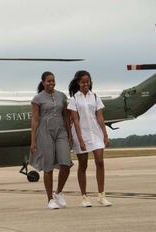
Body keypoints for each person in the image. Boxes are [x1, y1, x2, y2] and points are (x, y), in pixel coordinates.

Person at [68, 70, 112, 207]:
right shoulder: (74, 99)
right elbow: (75, 120)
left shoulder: (95, 97)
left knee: (100, 162)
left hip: (96, 133)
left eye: (88, 81)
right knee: (83, 165)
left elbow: (100, 117)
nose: (85, 84)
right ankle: (84, 197)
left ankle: (101, 195)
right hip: (81, 135)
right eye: (83, 82)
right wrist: (80, 140)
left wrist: (105, 135)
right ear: (78, 83)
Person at [30, 71, 73, 209]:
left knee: (66, 163)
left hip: (61, 131)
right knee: (48, 166)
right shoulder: (38, 99)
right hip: (44, 132)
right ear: (43, 83)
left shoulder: (61, 96)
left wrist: (69, 134)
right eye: (49, 81)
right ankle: (50, 199)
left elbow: (66, 117)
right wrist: (33, 140)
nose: (52, 83)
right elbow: (35, 120)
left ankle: (58, 192)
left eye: (53, 81)